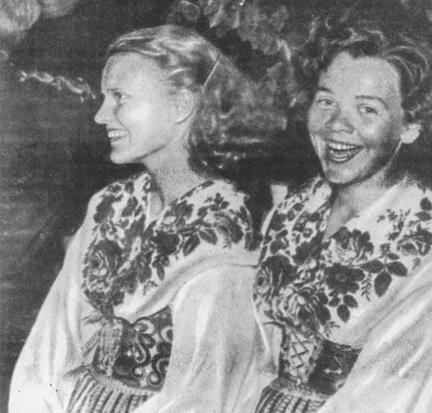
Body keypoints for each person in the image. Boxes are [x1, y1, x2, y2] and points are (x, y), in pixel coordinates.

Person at [9, 24, 285, 413]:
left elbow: (202, 397)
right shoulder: (111, 205)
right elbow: (47, 355)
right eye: (104, 98)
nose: (101, 115)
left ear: (181, 105)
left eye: (119, 98)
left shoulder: (231, 234)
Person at [252, 2, 432, 412]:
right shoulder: (293, 210)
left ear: (410, 127)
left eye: (367, 109)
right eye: (326, 101)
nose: (336, 125)